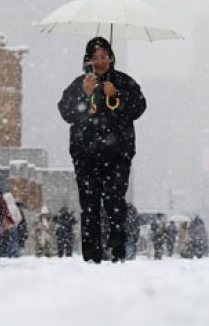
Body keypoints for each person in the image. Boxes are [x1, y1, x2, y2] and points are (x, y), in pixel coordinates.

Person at [58, 36, 147, 264]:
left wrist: (116, 95)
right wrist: (84, 95)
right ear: (87, 60)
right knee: (89, 207)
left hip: (117, 156)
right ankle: (92, 256)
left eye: (104, 56)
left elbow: (138, 107)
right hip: (85, 156)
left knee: (115, 203)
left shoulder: (123, 82)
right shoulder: (79, 83)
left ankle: (117, 253)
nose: (100, 62)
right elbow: (66, 112)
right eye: (95, 57)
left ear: (111, 58)